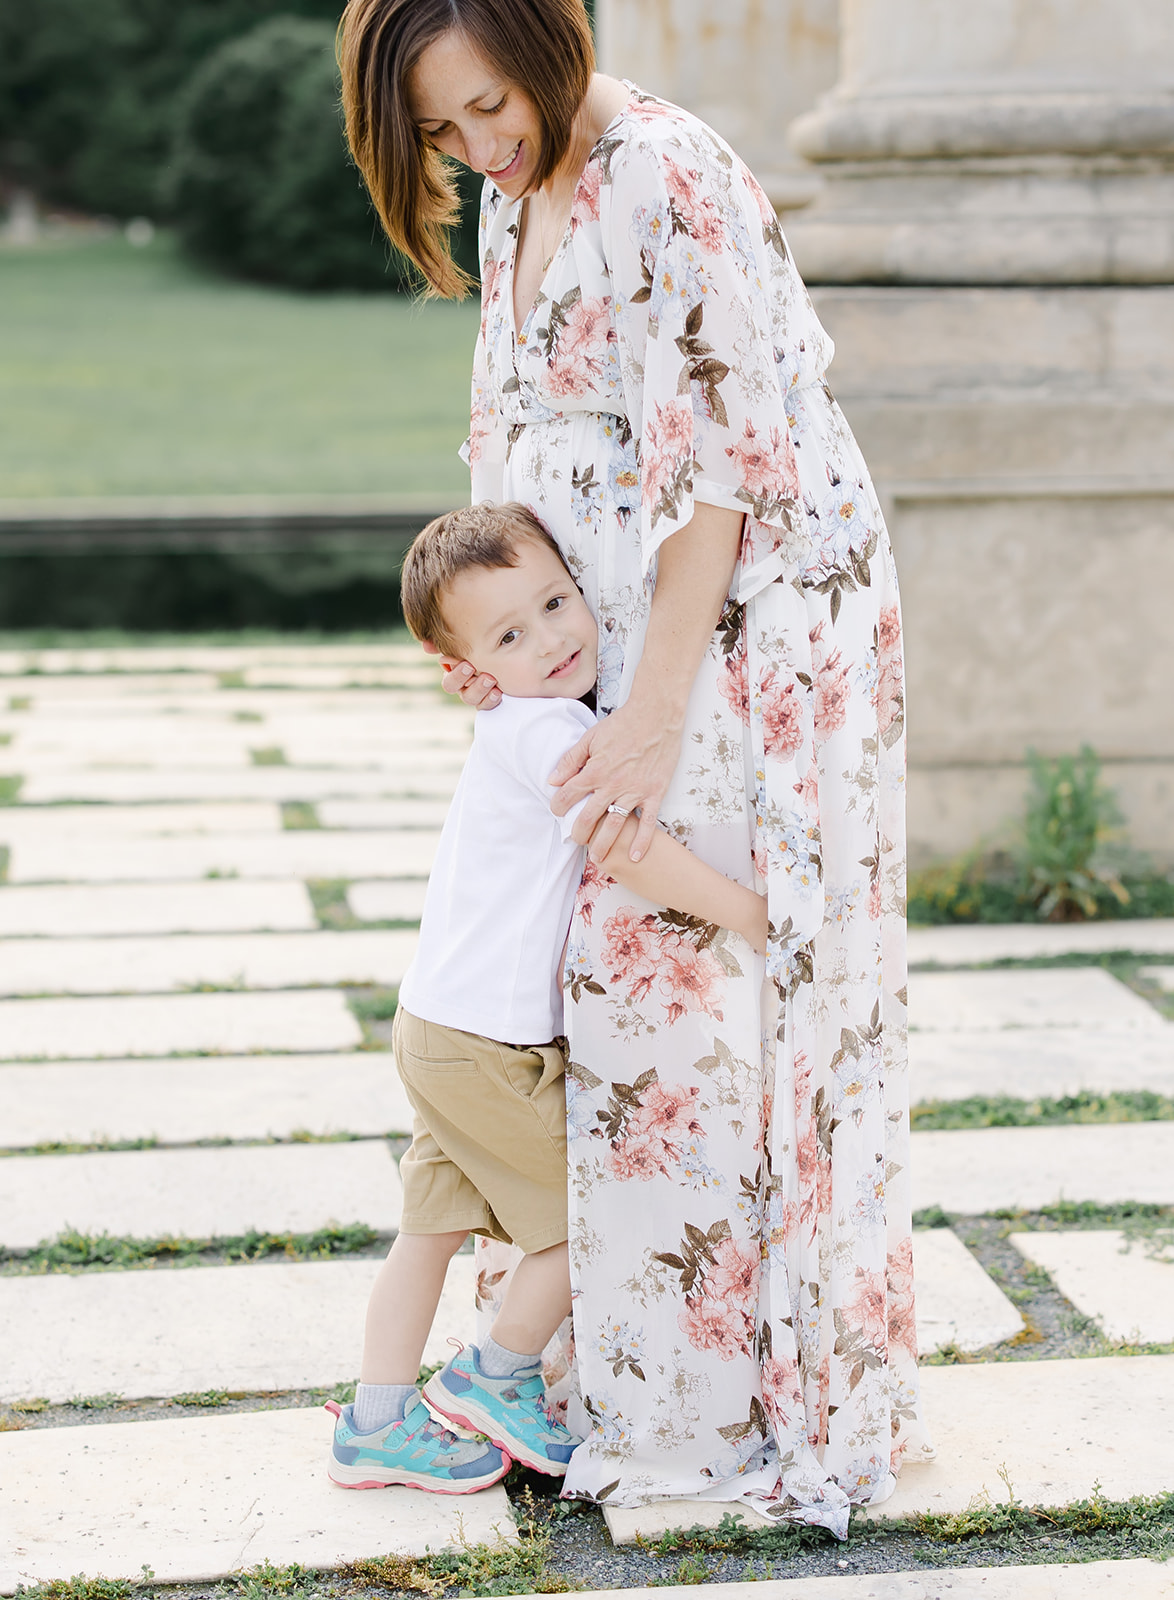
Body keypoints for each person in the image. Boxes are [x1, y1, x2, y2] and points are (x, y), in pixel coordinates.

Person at [339, 0, 933, 1535]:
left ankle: (719, 1391)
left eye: (489, 106)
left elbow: (723, 468)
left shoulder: (662, 168)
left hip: (728, 635)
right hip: (599, 644)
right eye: (440, 130)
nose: (477, 146)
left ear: (548, 41)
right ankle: (593, 1368)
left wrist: (657, 705)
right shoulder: (513, 192)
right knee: (606, 996)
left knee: (685, 988)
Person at [327, 500, 769, 1493]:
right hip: (485, 1042)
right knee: (590, 1210)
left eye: (557, 603)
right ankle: (496, 1374)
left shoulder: (513, 717)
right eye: (510, 636)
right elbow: (626, 846)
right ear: (466, 667)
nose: (552, 639)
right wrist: (750, 913)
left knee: (429, 1232)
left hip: (435, 1025)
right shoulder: (550, 734)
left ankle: (374, 1422)